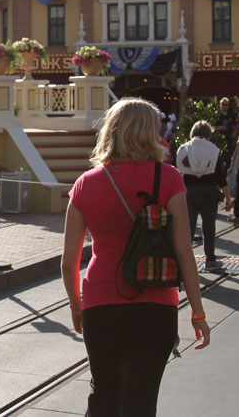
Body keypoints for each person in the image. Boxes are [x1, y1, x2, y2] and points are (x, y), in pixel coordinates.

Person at [62, 98, 210, 416]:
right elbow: (184, 251)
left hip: (100, 303)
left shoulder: (85, 184)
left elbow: (69, 260)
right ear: (151, 133)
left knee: (103, 392)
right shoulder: (168, 178)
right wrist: (197, 314)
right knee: (141, 399)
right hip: (156, 304)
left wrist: (76, 305)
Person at [176, 121, 231, 270]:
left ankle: (185, 261)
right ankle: (210, 259)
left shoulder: (184, 148)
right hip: (208, 191)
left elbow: (179, 171)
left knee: (189, 228)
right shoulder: (213, 150)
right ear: (209, 134)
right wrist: (227, 197)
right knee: (208, 226)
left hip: (188, 190)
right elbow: (220, 176)